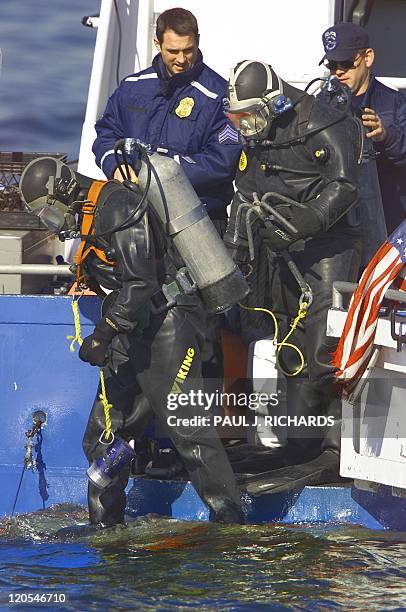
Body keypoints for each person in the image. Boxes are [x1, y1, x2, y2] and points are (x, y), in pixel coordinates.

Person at [19, 155, 244, 527]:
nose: (50, 222)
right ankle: (107, 526)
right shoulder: (89, 215)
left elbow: (142, 282)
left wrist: (103, 334)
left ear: (64, 191)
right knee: (103, 436)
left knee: (188, 429)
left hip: (168, 326)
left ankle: (229, 522)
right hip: (132, 331)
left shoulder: (119, 206)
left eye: (48, 212)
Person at [223, 60, 363, 490]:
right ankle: (301, 443)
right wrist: (235, 253)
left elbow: (345, 184)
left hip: (328, 246)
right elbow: (245, 191)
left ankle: (336, 449)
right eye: (237, 118)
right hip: (280, 249)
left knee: (324, 346)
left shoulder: (322, 121)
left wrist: (309, 220)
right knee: (289, 342)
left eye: (249, 115)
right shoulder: (259, 132)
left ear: (273, 100)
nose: (245, 126)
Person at [92, 7, 241, 229]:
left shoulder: (220, 97)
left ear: (198, 41)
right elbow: (106, 135)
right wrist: (116, 166)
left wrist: (156, 176)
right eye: (173, 51)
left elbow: (222, 161)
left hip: (198, 219)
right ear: (157, 44)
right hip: (136, 216)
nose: (181, 59)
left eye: (188, 50)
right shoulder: (132, 87)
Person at [319, 22, 406, 235]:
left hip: (386, 224)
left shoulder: (395, 103)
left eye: (346, 63)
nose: (338, 72)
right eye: (332, 65)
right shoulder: (319, 105)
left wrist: (386, 136)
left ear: (367, 58)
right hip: (336, 230)